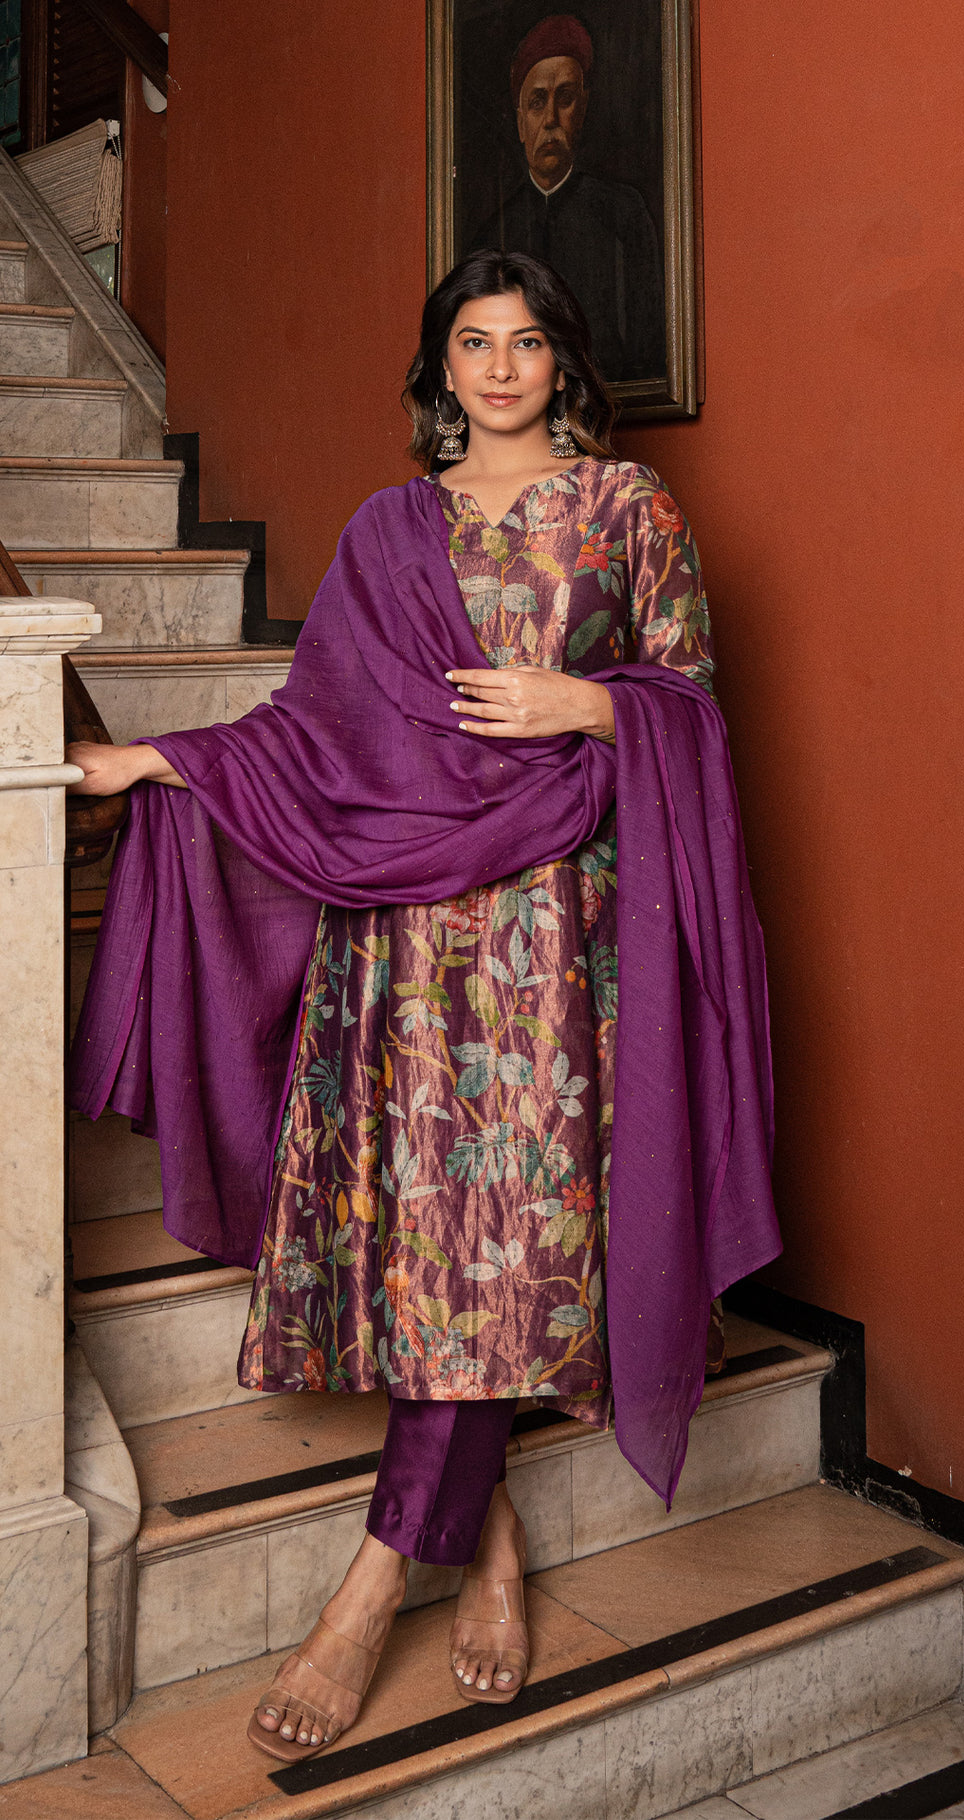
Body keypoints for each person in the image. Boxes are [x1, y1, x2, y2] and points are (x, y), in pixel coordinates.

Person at [68, 249, 779, 1762]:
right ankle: (490, 1540)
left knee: (506, 1234)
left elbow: (698, 708)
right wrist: (159, 763)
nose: (502, 367)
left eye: (526, 341)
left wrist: (590, 704)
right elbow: (315, 728)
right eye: (474, 342)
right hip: (398, 944)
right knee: (434, 1239)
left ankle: (375, 1580)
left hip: (552, 936)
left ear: (561, 361)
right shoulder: (389, 529)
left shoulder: (629, 509)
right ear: (440, 366)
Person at [468, 14, 665, 383]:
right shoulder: (493, 235)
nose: (550, 120)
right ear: (520, 122)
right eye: (537, 102)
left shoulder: (625, 212)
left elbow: (646, 347)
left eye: (565, 99)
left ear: (583, 109)